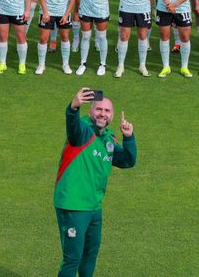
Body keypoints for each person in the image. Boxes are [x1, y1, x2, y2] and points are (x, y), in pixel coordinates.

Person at [54, 87, 136, 277]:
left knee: (90, 255)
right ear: (90, 111)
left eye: (107, 111)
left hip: (94, 207)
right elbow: (72, 125)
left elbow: (128, 161)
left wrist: (129, 137)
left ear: (113, 115)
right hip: (73, 205)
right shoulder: (82, 132)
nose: (103, 114)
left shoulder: (109, 138)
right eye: (98, 109)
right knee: (72, 258)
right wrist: (73, 108)